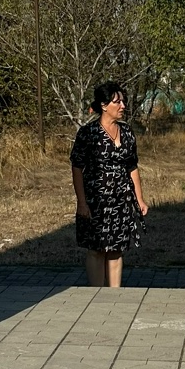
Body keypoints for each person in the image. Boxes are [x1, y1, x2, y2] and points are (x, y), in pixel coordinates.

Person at [70, 82, 148, 288]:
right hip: (96, 202)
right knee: (96, 249)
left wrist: (139, 199)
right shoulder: (88, 133)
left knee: (116, 249)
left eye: (123, 101)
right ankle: (96, 294)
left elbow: (132, 167)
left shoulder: (127, 132)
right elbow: (77, 167)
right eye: (117, 101)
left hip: (121, 201)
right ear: (104, 105)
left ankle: (115, 295)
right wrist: (82, 202)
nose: (122, 105)